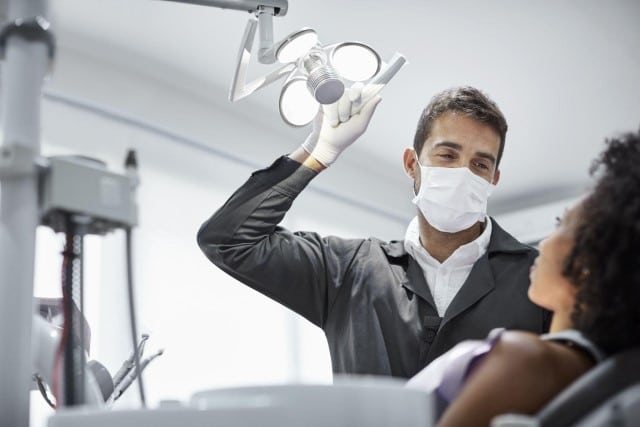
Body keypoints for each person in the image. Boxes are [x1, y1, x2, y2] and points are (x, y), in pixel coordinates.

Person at [197, 85, 550, 378]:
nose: (462, 172)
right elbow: (228, 240)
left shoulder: (541, 280)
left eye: (480, 164)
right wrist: (318, 152)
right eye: (447, 155)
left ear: (493, 180)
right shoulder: (347, 270)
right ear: (413, 164)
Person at [407, 129, 640, 426]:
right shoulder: (596, 372)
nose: (542, 244)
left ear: (586, 264)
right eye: (448, 156)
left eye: (561, 224)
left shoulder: (528, 359)